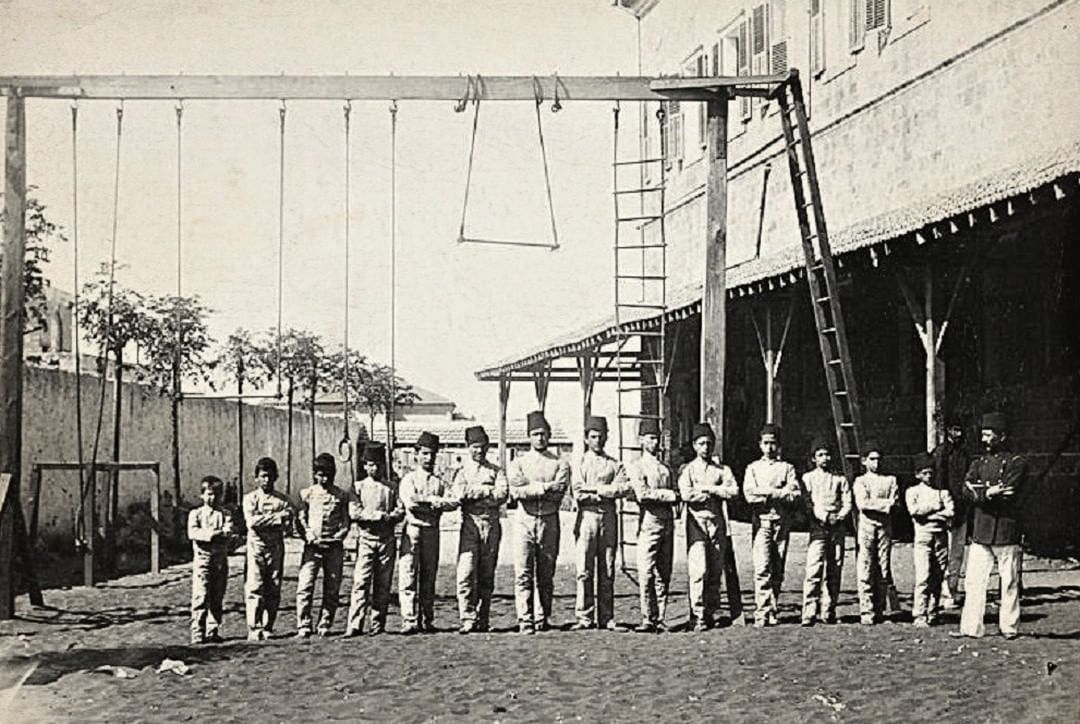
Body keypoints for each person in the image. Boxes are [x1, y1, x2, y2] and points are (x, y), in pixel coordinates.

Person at [957, 412, 1027, 640]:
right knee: (974, 581)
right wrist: (987, 492)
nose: (985, 439)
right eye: (983, 434)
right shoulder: (978, 463)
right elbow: (965, 491)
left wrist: (980, 492)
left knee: (1009, 581)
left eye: (989, 434)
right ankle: (971, 627)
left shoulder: (1017, 463)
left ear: (1002, 436)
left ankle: (1009, 627)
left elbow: (1008, 492)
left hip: (1007, 530)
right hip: (981, 530)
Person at [507, 410, 570, 634]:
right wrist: (544, 487)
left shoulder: (560, 463)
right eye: (535, 434)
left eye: (543, 434)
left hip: (549, 520)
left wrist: (530, 486)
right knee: (523, 572)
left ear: (550, 435)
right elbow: (516, 491)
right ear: (528, 436)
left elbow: (559, 492)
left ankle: (542, 617)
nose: (540, 438)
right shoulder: (519, 462)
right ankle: (525, 618)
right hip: (524, 520)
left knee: (546, 573)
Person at [570, 415, 631, 631]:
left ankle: (606, 617)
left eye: (601, 436)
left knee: (607, 568)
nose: (598, 440)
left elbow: (624, 488)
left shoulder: (615, 464)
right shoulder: (579, 463)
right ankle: (585, 617)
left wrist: (595, 490)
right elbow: (578, 493)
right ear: (586, 439)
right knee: (584, 570)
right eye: (593, 437)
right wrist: (605, 492)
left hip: (608, 518)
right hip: (586, 519)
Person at [678, 422, 739, 632]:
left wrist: (707, 489)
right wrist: (711, 493)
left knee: (715, 569)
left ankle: (710, 612)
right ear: (695, 445)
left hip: (717, 522)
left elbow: (733, 491)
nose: (706, 447)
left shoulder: (722, 469)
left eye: (709, 443)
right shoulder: (688, 470)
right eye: (702, 443)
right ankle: (697, 613)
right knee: (699, 570)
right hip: (696, 522)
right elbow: (687, 494)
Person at [398, 431, 458, 634]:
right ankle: (409, 619)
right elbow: (412, 503)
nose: (428, 458)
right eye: (424, 453)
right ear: (416, 455)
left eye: (432, 454)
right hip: (413, 530)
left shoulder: (439, 482)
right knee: (408, 574)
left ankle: (427, 619)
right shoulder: (408, 479)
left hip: (432, 531)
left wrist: (436, 502)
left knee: (429, 576)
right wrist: (433, 502)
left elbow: (453, 502)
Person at [742, 423, 800, 628]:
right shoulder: (753, 468)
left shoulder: (786, 468)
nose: (769, 448)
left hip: (781, 523)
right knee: (762, 567)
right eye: (766, 443)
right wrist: (777, 492)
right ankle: (761, 611)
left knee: (778, 567)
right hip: (762, 523)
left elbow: (794, 494)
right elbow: (749, 495)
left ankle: (772, 609)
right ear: (760, 445)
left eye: (773, 444)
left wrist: (766, 493)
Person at [452, 425, 509, 634]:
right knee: (466, 572)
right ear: (468, 447)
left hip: (492, 524)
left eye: (483, 447)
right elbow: (459, 493)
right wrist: (486, 490)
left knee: (487, 573)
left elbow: (502, 494)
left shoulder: (496, 470)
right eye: (475, 447)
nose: (479, 451)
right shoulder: (462, 472)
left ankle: (483, 617)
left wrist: (474, 493)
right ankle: (467, 617)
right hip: (470, 524)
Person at [345, 442, 404, 637]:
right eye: (370, 464)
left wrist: (392, 516)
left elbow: (400, 509)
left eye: (377, 464)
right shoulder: (358, 487)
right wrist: (377, 516)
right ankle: (355, 624)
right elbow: (355, 512)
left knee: (383, 583)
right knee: (361, 582)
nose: (374, 468)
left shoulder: (392, 487)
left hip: (386, 539)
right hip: (366, 539)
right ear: (364, 466)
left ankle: (378, 624)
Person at [626, 419, 678, 633]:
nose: (655, 442)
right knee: (646, 571)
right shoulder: (636, 466)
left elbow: (677, 495)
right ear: (641, 441)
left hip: (667, 522)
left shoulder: (665, 468)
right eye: (650, 438)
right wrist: (669, 495)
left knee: (663, 572)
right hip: (649, 521)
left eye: (657, 438)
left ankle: (661, 617)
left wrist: (672, 498)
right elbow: (644, 494)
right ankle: (648, 616)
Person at [295, 452, 350, 637]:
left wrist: (338, 537)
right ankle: (303, 624)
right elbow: (301, 519)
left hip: (333, 548)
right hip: (312, 548)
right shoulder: (307, 494)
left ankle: (325, 622)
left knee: (332, 587)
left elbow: (345, 522)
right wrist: (309, 536)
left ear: (333, 474)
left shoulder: (341, 495)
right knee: (305, 586)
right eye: (319, 474)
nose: (323, 478)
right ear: (314, 474)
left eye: (327, 474)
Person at [801, 438, 852, 626]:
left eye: (827, 454)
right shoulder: (808, 479)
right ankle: (809, 611)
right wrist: (823, 516)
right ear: (814, 458)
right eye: (820, 455)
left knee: (835, 568)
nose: (824, 458)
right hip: (818, 527)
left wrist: (839, 516)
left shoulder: (839, 479)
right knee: (814, 569)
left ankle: (828, 609)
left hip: (837, 528)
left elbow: (847, 502)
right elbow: (808, 503)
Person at [242, 457, 294, 641]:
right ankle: (254, 628)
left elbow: (288, 524)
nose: (266, 480)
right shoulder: (249, 499)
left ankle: (268, 625)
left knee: (273, 587)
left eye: (270, 476)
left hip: (276, 548)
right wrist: (277, 518)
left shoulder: (283, 500)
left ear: (276, 477)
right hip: (256, 547)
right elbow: (252, 523)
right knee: (255, 587)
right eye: (263, 476)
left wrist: (272, 519)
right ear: (256, 478)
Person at [906, 452, 954, 627]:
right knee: (923, 576)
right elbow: (915, 511)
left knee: (938, 575)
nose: (929, 476)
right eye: (925, 473)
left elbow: (950, 512)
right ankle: (919, 614)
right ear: (918, 474)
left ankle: (933, 611)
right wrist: (936, 509)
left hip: (940, 537)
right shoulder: (912, 492)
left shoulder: (943, 492)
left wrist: (932, 516)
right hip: (923, 537)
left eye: (931, 472)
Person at [853, 441, 898, 625]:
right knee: (866, 566)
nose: (876, 463)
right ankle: (866, 610)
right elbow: (863, 504)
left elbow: (894, 501)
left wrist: (881, 505)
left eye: (878, 459)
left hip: (885, 528)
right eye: (872, 459)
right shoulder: (860, 481)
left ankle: (879, 609)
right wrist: (884, 505)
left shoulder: (890, 480)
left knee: (883, 567)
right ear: (864, 461)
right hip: (867, 527)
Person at [188, 475, 236, 644]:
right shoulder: (196, 514)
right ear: (202, 495)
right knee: (200, 595)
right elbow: (193, 533)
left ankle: (212, 629)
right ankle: (197, 631)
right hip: (202, 562)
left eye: (216, 494)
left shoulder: (226, 514)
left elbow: (228, 532)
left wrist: (219, 534)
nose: (212, 498)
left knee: (217, 596)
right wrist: (212, 534)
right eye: (208, 494)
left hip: (220, 561)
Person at [933, 420, 971, 608]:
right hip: (946, 510)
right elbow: (938, 482)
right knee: (944, 553)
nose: (958, 433)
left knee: (957, 553)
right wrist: (943, 509)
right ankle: (943, 593)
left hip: (961, 509)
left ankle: (953, 590)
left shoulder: (964, 454)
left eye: (960, 429)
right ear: (948, 431)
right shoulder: (941, 453)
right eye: (954, 429)